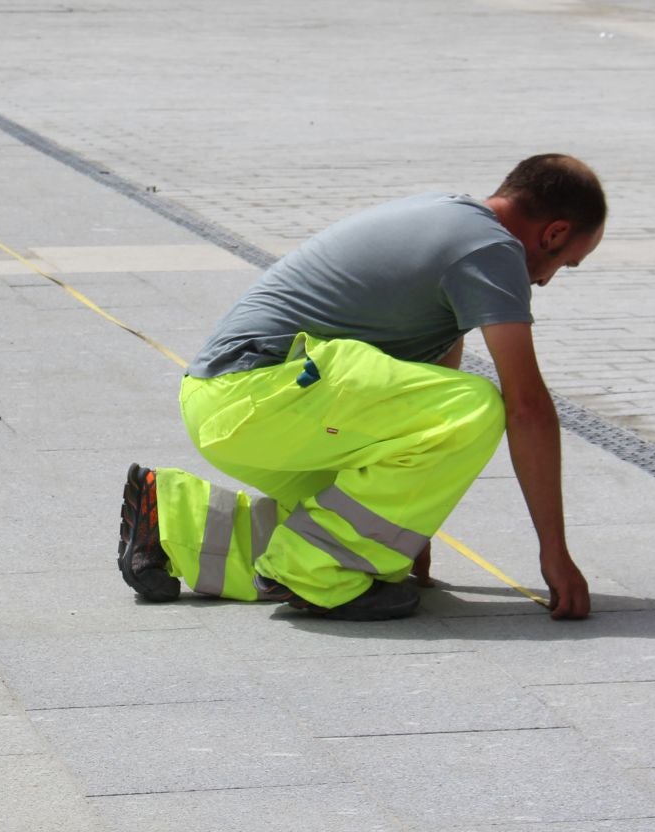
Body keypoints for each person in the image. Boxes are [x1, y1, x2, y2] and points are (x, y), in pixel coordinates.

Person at [117, 154, 605, 622]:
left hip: (229, 403)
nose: (545, 280)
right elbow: (527, 407)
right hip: (261, 394)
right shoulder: (491, 249)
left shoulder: (448, 217)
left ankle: (169, 524)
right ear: (555, 233)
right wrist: (554, 552)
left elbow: (430, 374)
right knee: (476, 404)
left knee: (343, 528)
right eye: (565, 264)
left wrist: (406, 514)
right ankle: (315, 575)